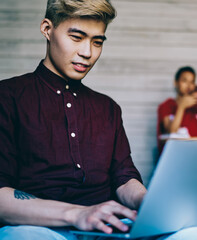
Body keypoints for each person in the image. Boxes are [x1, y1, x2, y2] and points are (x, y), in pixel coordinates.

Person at [0, 1, 197, 240]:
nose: (87, 52)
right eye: (77, 37)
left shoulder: (108, 108)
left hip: (109, 227)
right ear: (47, 29)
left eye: (97, 42)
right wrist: (78, 214)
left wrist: (150, 204)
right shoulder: (8, 96)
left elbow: (124, 178)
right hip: (39, 228)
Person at [157, 66, 197, 154]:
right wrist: (181, 107)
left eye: (192, 81)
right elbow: (171, 132)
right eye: (184, 81)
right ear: (176, 83)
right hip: (174, 156)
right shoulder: (166, 106)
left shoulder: (194, 108)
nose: (189, 85)